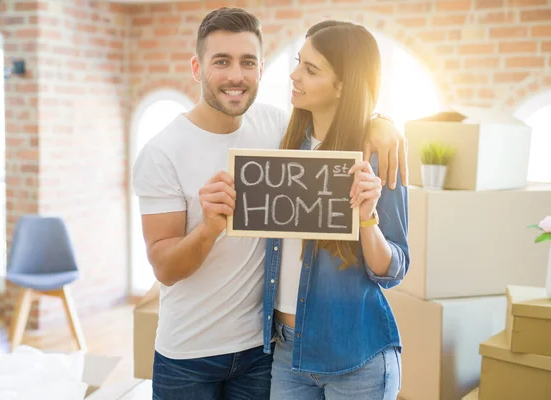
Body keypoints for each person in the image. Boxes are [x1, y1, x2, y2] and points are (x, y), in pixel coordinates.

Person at [132, 8, 407, 400]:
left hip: (263, 352)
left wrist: (381, 122)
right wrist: (210, 225)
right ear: (197, 67)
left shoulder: (280, 130)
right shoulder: (166, 151)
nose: (235, 76)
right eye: (221, 61)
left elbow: (341, 126)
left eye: (247, 62)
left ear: (260, 69)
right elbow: (164, 267)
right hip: (202, 354)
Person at [262, 21, 410, 400]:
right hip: (286, 354)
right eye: (299, 62)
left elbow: (393, 268)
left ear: (344, 85)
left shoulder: (376, 156)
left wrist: (366, 218)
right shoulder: (285, 148)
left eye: (311, 70)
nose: (294, 75)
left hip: (356, 359)